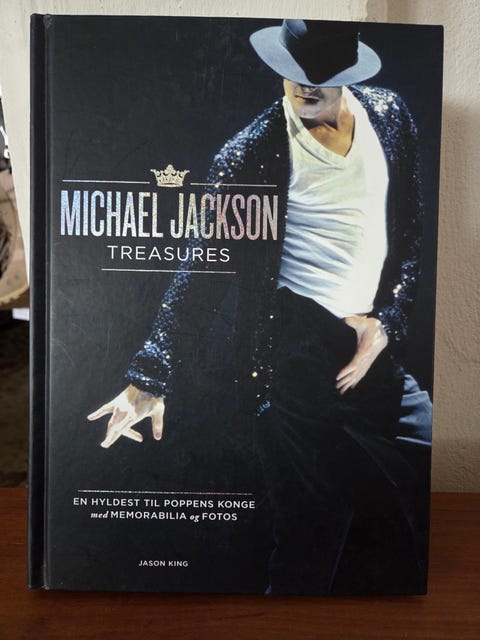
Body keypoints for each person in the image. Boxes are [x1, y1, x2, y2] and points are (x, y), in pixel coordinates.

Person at [88, 19, 432, 594]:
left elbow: (412, 234)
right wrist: (149, 376)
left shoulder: (389, 116)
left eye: (320, 74)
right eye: (294, 71)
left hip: (368, 351)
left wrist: (386, 326)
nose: (304, 85)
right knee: (310, 532)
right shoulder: (252, 152)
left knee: (417, 472)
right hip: (291, 353)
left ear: (348, 74)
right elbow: (202, 269)